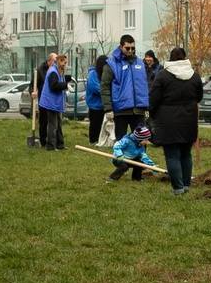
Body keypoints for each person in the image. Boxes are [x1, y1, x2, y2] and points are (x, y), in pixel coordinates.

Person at [149, 46, 203, 196]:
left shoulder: (162, 76)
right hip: (189, 119)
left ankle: (178, 188)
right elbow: (199, 97)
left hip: (168, 121)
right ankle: (186, 185)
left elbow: (153, 99)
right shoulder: (194, 76)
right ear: (185, 58)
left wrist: (152, 114)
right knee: (186, 153)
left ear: (170, 58)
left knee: (172, 155)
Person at [102, 35, 150, 182]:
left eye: (133, 48)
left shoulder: (140, 63)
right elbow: (104, 86)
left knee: (141, 143)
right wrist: (108, 108)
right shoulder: (111, 64)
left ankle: (137, 175)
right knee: (121, 144)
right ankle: (120, 168)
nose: (130, 50)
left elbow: (144, 85)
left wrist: (146, 106)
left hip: (139, 110)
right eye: (127, 48)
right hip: (121, 110)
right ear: (121, 47)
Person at [38, 53, 68, 151]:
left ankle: (60, 144)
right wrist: (65, 85)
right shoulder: (53, 72)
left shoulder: (58, 71)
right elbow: (54, 86)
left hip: (55, 102)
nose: (64, 64)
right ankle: (50, 146)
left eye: (66, 62)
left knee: (58, 124)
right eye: (63, 62)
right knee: (53, 124)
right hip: (50, 103)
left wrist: (66, 81)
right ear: (58, 61)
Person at [84, 55, 106, 144]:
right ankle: (93, 140)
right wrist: (107, 91)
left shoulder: (104, 74)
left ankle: (101, 140)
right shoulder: (92, 74)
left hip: (103, 105)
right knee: (95, 124)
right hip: (94, 105)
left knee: (102, 124)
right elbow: (96, 88)